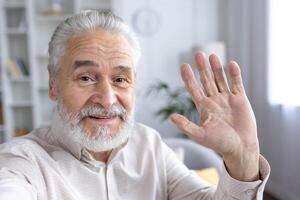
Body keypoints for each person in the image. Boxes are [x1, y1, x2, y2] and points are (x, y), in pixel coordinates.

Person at [0, 10, 270, 199]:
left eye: (120, 79)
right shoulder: (22, 163)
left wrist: (242, 157)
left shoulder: (149, 144)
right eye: (85, 77)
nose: (107, 99)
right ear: (53, 85)